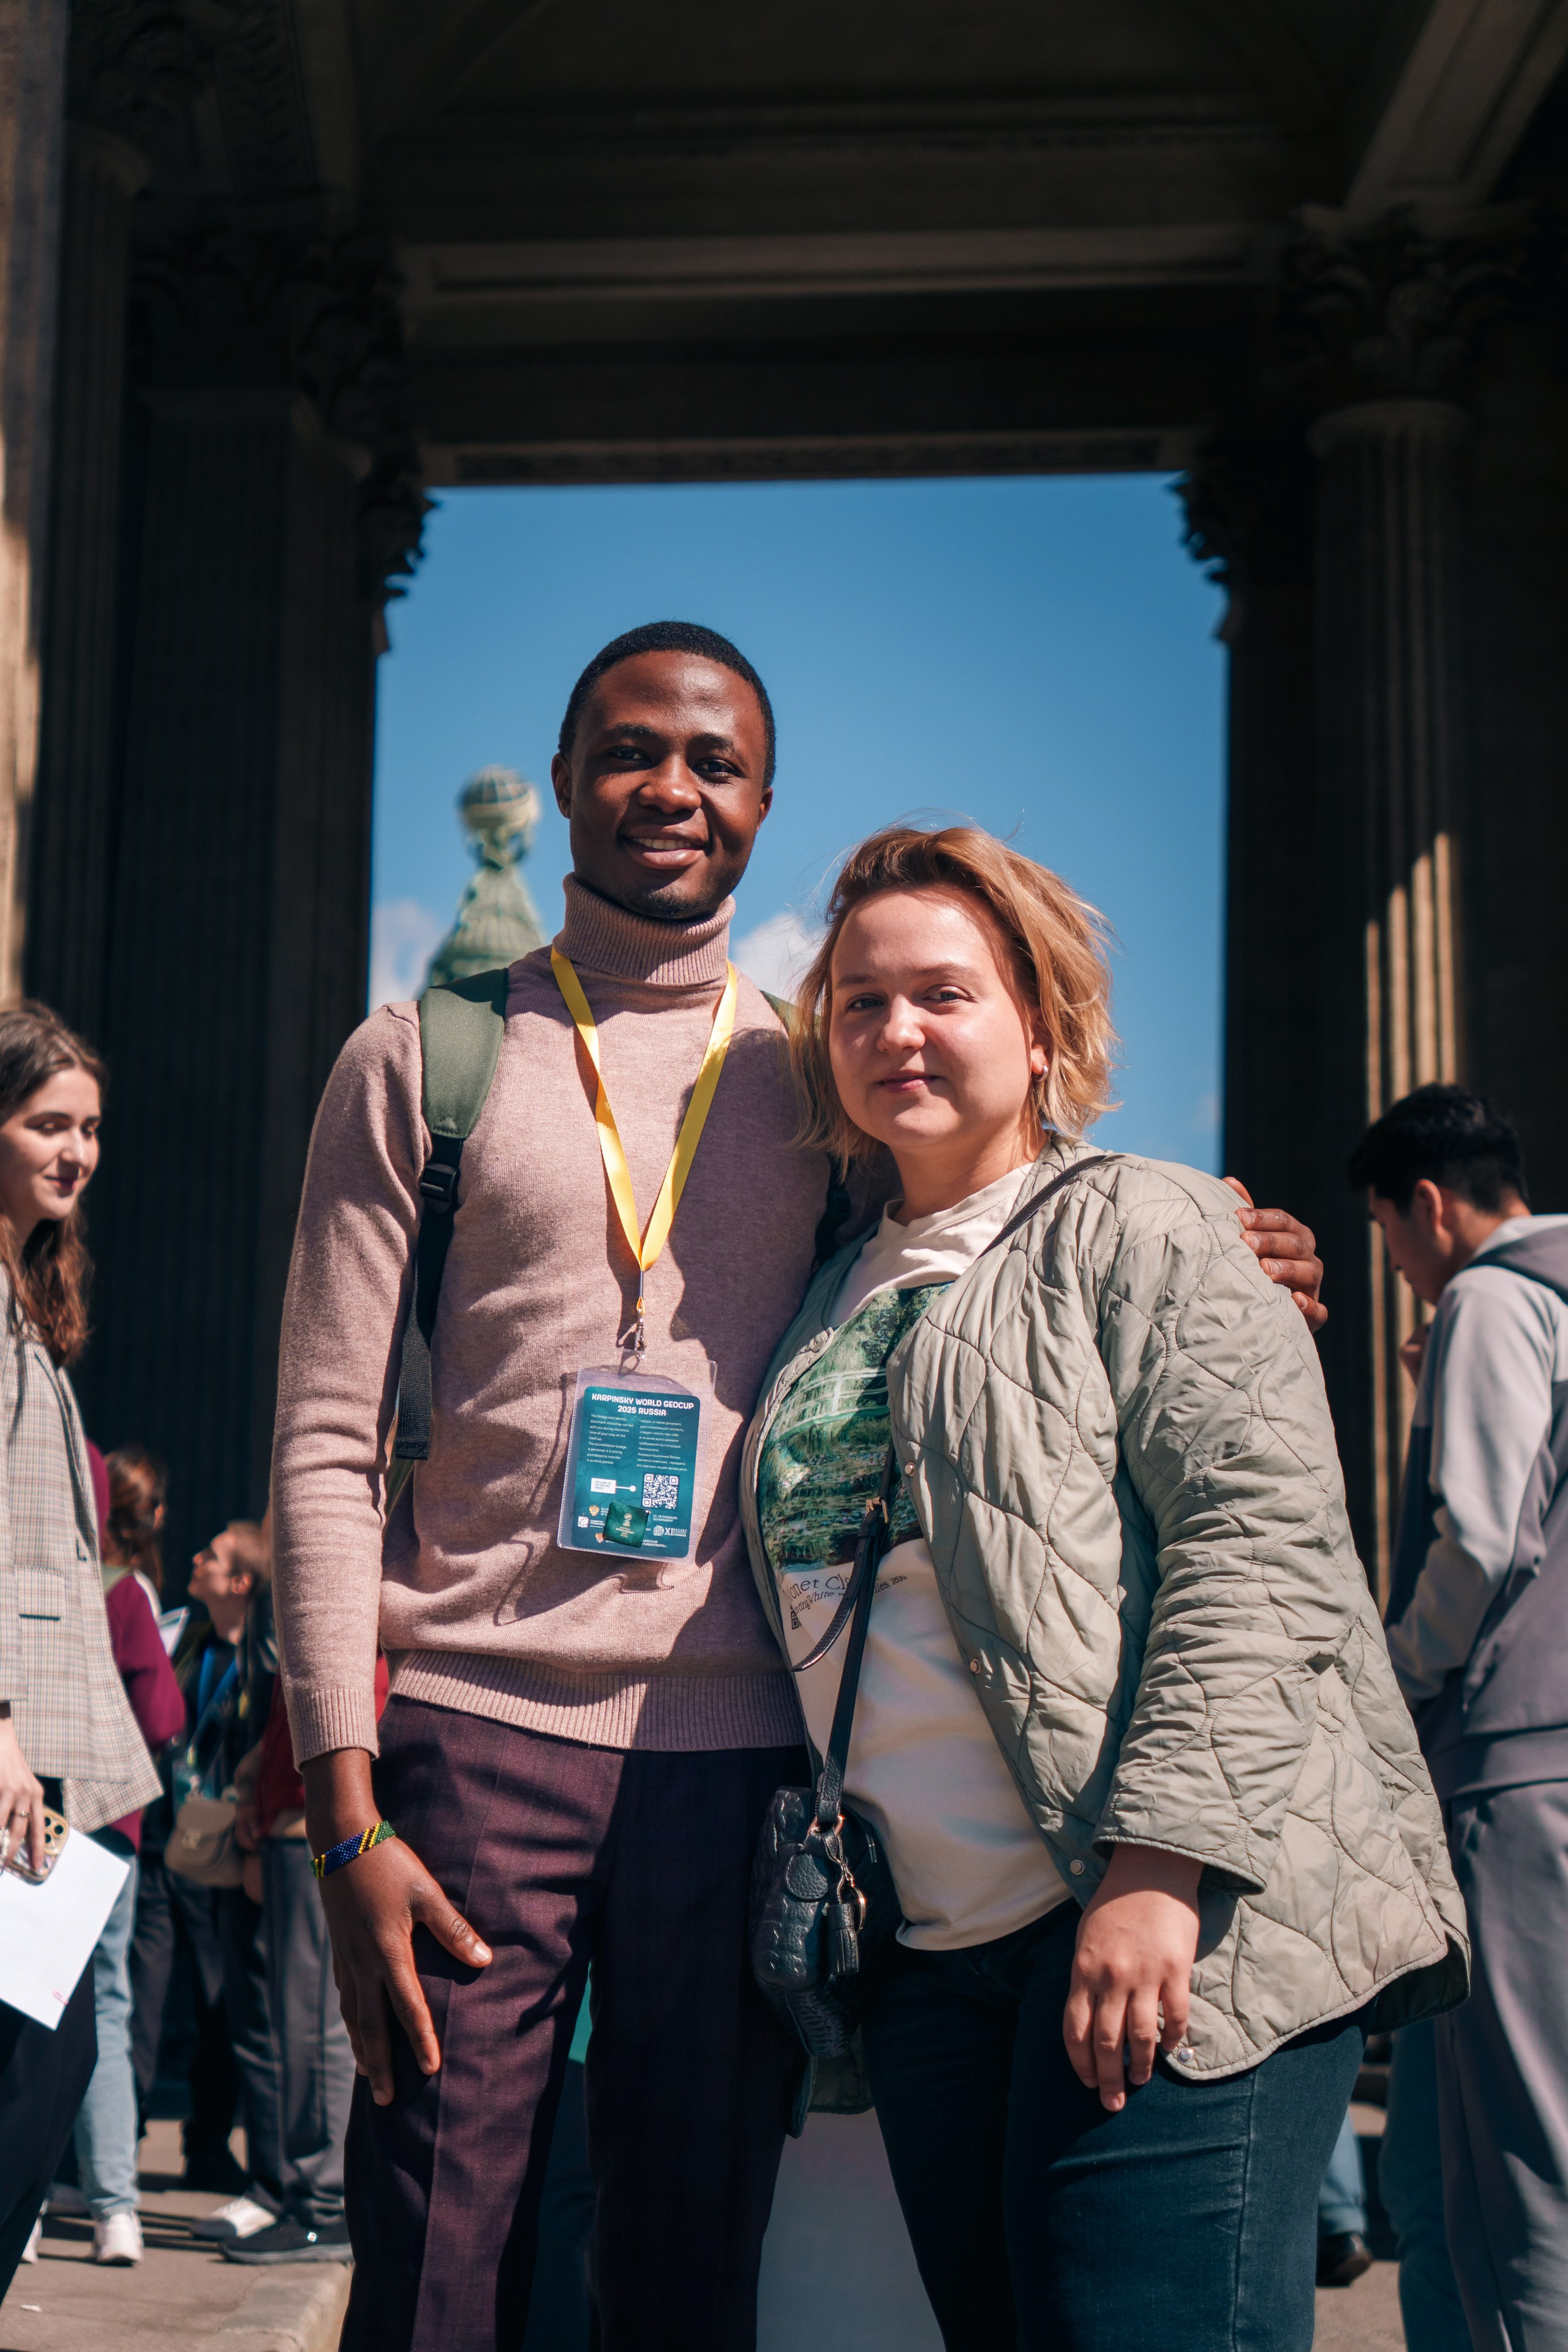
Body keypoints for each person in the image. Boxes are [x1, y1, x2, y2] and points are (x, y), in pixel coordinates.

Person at [271, 621, 1332, 2352]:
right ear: (562, 780)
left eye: (714, 761)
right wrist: (349, 1812)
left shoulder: (817, 1072)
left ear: (764, 802)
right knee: (435, 2276)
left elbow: (992, 1200)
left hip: (743, 1765)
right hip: (474, 1734)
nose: (668, 787)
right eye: (628, 749)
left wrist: (1211, 1224)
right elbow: (323, 1444)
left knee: (692, 2279)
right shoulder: (420, 1061)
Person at [740, 825, 1469, 2352]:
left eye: (941, 991)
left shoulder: (1144, 1221)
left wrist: (1156, 1869)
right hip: (934, 1960)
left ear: (1040, 1022)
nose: (894, 1030)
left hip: (1159, 1914)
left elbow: (1255, 1545)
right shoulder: (827, 1284)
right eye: (857, 1001)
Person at [1352, 1082, 1568, 2352]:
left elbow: (1478, 1539)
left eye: (1385, 1231)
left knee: (1505, 2170)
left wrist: (1392, 1672)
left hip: (1508, 1765)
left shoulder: (1491, 1293)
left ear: (1423, 1206)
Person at [0, 1003, 161, 2293]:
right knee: (31, 2078)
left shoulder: (29, 1301)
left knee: (42, 2075)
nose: (78, 1152)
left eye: (91, 1128)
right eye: (48, 1123)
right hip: (19, 1766)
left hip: (61, 1769)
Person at [130, 1520, 283, 2215]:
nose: (197, 1559)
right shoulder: (185, 1641)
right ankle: (119, 2142)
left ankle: (211, 2144)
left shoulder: (266, 1656)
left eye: (213, 1557)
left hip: (232, 1848)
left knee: (228, 2008)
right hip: (172, 1844)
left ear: (242, 1582)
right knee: (146, 1997)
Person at [56, 1445, 186, 2263]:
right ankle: (117, 2210)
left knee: (27, 2001)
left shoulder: (44, 1586)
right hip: (109, 1823)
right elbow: (164, 1716)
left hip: (30, 1813)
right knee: (108, 2001)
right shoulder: (127, 1595)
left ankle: (23, 2209)